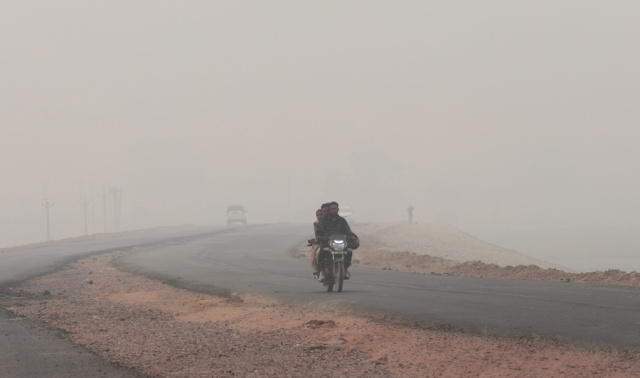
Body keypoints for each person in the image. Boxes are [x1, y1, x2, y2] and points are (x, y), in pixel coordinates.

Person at [318, 201, 359, 279]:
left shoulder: (342, 220)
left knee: (349, 251)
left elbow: (347, 229)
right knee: (322, 251)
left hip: (340, 242)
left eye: (335, 209)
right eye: (332, 209)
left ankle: (345, 270)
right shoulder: (324, 220)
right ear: (329, 210)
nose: (333, 210)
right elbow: (320, 231)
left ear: (338, 209)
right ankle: (322, 271)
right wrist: (322, 237)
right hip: (328, 241)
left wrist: (351, 235)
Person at [310, 208, 325, 280]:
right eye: (318, 215)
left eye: (321, 214)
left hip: (331, 240)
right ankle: (315, 270)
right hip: (321, 240)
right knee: (315, 250)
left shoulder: (329, 221)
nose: (319, 216)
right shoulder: (316, 223)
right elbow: (317, 234)